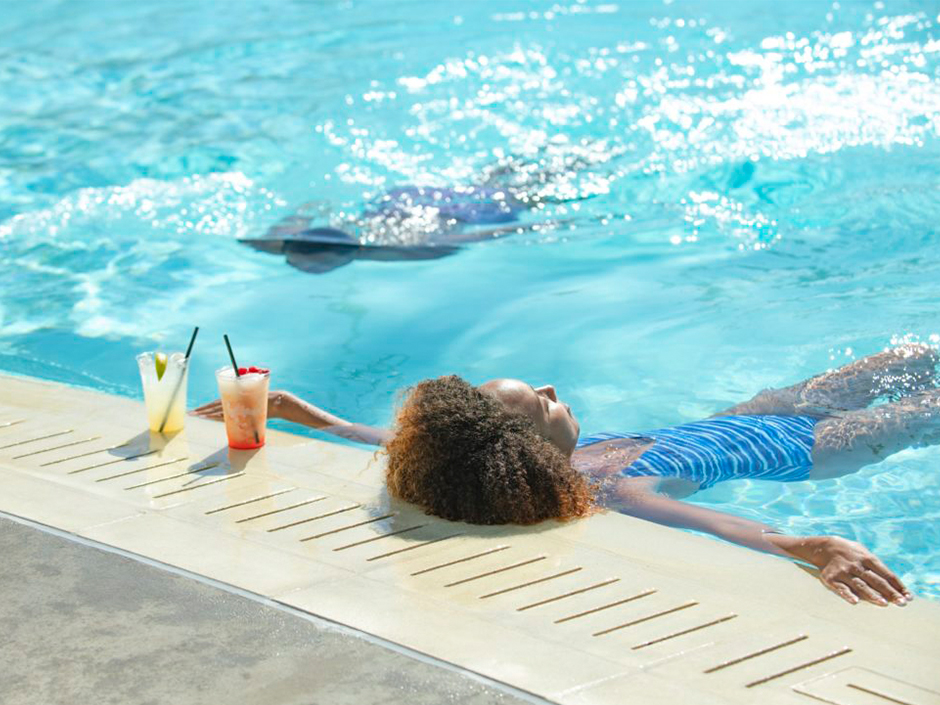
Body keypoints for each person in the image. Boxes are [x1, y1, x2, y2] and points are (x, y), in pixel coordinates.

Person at [193, 344, 939, 607]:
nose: (551, 390)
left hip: (734, 416)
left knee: (905, 357)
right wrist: (810, 545)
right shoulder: (615, 490)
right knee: (925, 403)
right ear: (528, 449)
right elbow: (721, 526)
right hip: (810, 449)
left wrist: (295, 410)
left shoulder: (504, 457)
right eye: (540, 403)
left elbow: (388, 438)